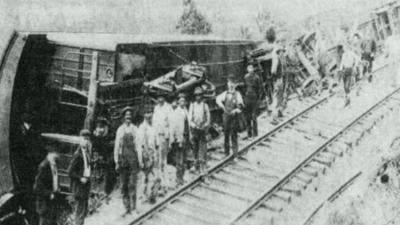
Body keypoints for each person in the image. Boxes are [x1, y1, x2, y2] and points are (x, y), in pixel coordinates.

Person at [114, 106, 143, 216]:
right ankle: (126, 207)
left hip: (133, 161)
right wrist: (116, 161)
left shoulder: (135, 129)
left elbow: (139, 146)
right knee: (123, 185)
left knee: (132, 184)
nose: (128, 118)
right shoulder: (120, 130)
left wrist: (140, 161)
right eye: (126, 117)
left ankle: (133, 208)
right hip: (123, 161)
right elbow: (116, 147)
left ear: (132, 118)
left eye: (130, 117)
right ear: (123, 118)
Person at [216, 74, 244, 158]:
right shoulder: (225, 94)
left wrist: (235, 110)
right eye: (229, 83)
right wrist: (222, 107)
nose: (231, 85)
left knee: (234, 135)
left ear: (235, 85)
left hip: (234, 118)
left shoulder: (237, 94)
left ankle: (235, 154)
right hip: (226, 118)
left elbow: (240, 106)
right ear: (227, 84)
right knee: (226, 135)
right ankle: (226, 153)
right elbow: (217, 99)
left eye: (232, 83)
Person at [68, 129, 92, 225]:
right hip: (79, 187)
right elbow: (70, 171)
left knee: (83, 211)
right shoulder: (78, 154)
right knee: (80, 212)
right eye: (84, 139)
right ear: (80, 140)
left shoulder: (86, 152)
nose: (86, 141)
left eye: (87, 139)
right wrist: (80, 178)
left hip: (85, 186)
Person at [137, 109, 159, 204]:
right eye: (146, 113)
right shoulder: (141, 128)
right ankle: (141, 197)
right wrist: (141, 160)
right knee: (144, 177)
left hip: (152, 154)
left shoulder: (153, 127)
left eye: (150, 113)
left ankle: (149, 195)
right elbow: (139, 145)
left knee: (153, 176)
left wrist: (155, 155)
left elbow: (156, 143)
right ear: (144, 115)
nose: (148, 115)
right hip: (145, 155)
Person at [33, 149, 60, 225]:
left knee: (52, 222)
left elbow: (55, 178)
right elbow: (36, 187)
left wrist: (58, 187)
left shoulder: (54, 164)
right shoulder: (44, 166)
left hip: (52, 200)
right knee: (45, 222)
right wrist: (49, 194)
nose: (58, 155)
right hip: (44, 202)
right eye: (56, 153)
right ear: (50, 154)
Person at [92, 117, 115, 202]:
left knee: (108, 175)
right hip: (98, 160)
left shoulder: (109, 137)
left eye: (102, 127)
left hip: (107, 161)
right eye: (99, 127)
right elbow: (94, 148)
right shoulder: (95, 138)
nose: (100, 130)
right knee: (96, 176)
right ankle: (96, 193)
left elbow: (111, 149)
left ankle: (106, 193)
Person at [188, 87, 210, 174]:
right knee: (195, 147)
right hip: (195, 130)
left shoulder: (205, 105)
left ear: (202, 96)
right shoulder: (192, 105)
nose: (198, 97)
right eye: (196, 95)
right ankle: (195, 165)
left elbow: (208, 118)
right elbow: (190, 118)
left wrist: (205, 125)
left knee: (202, 148)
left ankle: (202, 166)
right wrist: (193, 125)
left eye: (200, 95)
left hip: (202, 130)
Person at [169, 96, 189, 186]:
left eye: (184, 101)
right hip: (180, 138)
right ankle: (178, 179)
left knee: (184, 159)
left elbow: (187, 124)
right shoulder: (176, 112)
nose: (182, 102)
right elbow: (174, 127)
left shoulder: (185, 110)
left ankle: (182, 178)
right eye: (180, 101)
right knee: (179, 160)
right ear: (178, 102)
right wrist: (177, 140)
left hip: (186, 137)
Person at [152, 94, 171, 188]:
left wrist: (169, 139)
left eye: (161, 97)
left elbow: (170, 124)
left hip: (164, 136)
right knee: (157, 160)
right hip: (156, 135)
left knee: (163, 160)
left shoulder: (168, 108)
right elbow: (154, 123)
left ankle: (164, 183)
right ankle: (158, 180)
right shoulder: (156, 108)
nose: (159, 99)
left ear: (164, 98)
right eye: (158, 97)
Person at [244, 64, 262, 138]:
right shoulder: (256, 77)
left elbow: (245, 88)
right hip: (252, 97)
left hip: (250, 97)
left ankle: (251, 134)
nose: (250, 70)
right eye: (249, 69)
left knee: (251, 116)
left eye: (251, 69)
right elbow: (259, 88)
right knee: (252, 116)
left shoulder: (247, 77)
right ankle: (253, 134)